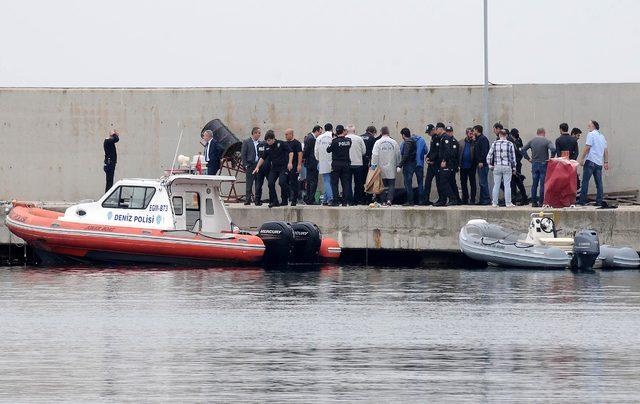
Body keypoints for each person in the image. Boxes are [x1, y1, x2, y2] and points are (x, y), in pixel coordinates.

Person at [253, 131, 293, 208]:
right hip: (274, 168)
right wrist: (257, 167)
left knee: (282, 182)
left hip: (283, 167)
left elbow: (290, 152)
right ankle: (275, 201)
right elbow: (262, 158)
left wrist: (290, 163)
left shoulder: (281, 143)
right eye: (266, 141)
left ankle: (285, 198)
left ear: (273, 139)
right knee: (270, 183)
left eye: (269, 140)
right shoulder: (268, 147)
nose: (268, 142)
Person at [522, 127, 556, 207]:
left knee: (534, 184)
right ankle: (541, 202)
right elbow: (553, 149)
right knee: (542, 184)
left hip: (534, 164)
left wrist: (528, 159)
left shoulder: (532, 141)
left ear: (537, 133)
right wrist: (551, 158)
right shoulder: (547, 141)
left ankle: (534, 202)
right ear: (544, 133)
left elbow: (523, 149)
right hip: (544, 164)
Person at [578, 120, 608, 206]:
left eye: (589, 125)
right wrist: (606, 162)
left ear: (594, 126)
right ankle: (599, 201)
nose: (588, 126)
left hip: (591, 161)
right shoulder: (602, 137)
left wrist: (582, 158)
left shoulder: (591, 134)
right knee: (599, 183)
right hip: (599, 163)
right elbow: (606, 151)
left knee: (585, 182)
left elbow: (587, 147)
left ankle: (582, 201)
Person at [371, 126, 401, 206]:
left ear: (381, 132)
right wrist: (399, 164)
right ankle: (389, 200)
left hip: (381, 167)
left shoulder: (377, 142)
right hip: (391, 166)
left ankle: (383, 201)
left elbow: (375, 155)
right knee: (391, 185)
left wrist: (373, 165)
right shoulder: (394, 142)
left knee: (382, 185)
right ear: (388, 132)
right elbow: (398, 154)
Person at [487, 129, 516, 207]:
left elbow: (489, 156)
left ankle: (494, 203)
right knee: (507, 185)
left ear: (499, 135)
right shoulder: (510, 144)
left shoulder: (495, 143)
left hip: (497, 166)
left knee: (496, 185)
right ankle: (508, 203)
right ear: (506, 135)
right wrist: (514, 168)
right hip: (507, 166)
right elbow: (513, 158)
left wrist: (490, 165)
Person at [326, 125, 352, 206]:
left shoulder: (334, 141)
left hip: (336, 164)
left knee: (334, 183)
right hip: (346, 164)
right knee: (345, 183)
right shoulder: (348, 141)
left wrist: (332, 140)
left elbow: (328, 150)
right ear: (343, 131)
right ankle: (345, 202)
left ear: (336, 132)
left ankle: (336, 201)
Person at [435, 125, 460, 206]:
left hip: (448, 164)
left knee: (444, 182)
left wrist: (444, 160)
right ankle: (443, 200)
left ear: (440, 129)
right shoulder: (442, 138)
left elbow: (448, 151)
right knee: (445, 182)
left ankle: (453, 198)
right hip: (445, 164)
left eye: (437, 129)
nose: (436, 131)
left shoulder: (445, 138)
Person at [240, 127, 261, 205]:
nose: (259, 134)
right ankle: (247, 200)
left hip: (258, 165)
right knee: (249, 183)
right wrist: (245, 165)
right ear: (254, 133)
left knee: (258, 183)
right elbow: (243, 154)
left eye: (259, 133)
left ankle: (257, 200)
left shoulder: (260, 143)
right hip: (250, 165)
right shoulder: (246, 142)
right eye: (258, 133)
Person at [346, 125, 366, 205]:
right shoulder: (359, 138)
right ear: (355, 131)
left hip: (347, 163)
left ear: (347, 131)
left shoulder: (344, 138)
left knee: (348, 183)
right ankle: (357, 199)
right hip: (358, 163)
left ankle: (349, 200)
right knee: (358, 183)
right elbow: (364, 151)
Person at [314, 123, 334, 205]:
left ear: (325, 129)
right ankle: (330, 198)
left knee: (326, 180)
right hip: (333, 161)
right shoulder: (333, 137)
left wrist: (319, 160)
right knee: (330, 181)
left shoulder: (319, 138)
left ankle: (326, 199)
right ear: (332, 129)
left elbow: (316, 151)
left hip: (323, 161)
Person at [508, 128, 529, 205]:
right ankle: (516, 198)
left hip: (517, 164)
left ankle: (522, 198)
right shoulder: (510, 140)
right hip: (512, 164)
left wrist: (518, 159)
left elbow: (521, 150)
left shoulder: (518, 140)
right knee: (514, 182)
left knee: (517, 181)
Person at [302, 125, 322, 204]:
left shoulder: (309, 137)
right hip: (312, 163)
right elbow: (306, 151)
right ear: (316, 131)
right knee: (313, 181)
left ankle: (309, 198)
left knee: (310, 181)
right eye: (320, 132)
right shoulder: (312, 139)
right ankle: (311, 199)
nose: (320, 134)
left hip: (309, 163)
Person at [458, 127, 477, 204]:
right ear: (466, 133)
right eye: (470, 133)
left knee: (472, 183)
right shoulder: (461, 142)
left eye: (472, 133)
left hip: (471, 166)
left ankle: (472, 199)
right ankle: (465, 198)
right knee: (463, 183)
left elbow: (476, 151)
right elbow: (458, 153)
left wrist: (474, 140)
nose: (471, 135)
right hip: (463, 166)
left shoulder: (475, 142)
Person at [284, 128, 303, 206]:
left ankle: (294, 199)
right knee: (284, 182)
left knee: (294, 182)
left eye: (286, 134)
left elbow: (300, 154)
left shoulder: (297, 143)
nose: (285, 136)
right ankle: (286, 198)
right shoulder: (284, 144)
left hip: (294, 165)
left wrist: (299, 165)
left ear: (291, 134)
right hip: (285, 165)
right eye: (285, 134)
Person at [399, 128, 417, 205]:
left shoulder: (407, 142)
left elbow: (405, 155)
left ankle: (410, 201)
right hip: (412, 164)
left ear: (403, 135)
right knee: (408, 183)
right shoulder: (413, 141)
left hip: (408, 165)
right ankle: (410, 200)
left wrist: (400, 165)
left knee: (407, 183)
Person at [473, 125, 491, 205]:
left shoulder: (483, 139)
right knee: (481, 182)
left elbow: (484, 151)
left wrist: (481, 161)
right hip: (480, 164)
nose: (473, 132)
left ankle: (486, 199)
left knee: (483, 182)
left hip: (482, 164)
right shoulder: (478, 139)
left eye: (474, 131)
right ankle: (482, 200)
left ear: (477, 130)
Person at [361, 126, 379, 204]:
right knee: (369, 181)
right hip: (368, 162)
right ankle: (368, 199)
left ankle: (361, 198)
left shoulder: (360, 137)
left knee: (360, 181)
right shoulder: (372, 138)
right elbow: (374, 152)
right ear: (373, 131)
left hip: (360, 162)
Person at [423, 124, 440, 205]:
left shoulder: (437, 138)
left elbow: (437, 151)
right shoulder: (433, 138)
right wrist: (428, 157)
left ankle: (441, 199)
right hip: (431, 164)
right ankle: (425, 199)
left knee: (438, 182)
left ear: (433, 130)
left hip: (436, 164)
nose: (429, 134)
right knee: (427, 182)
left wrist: (432, 159)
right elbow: (432, 150)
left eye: (429, 132)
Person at [254, 133, 271, 206]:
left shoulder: (259, 145)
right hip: (267, 165)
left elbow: (258, 155)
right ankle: (272, 199)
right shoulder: (268, 145)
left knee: (259, 184)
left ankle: (257, 200)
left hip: (260, 165)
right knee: (270, 183)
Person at [412, 130, 428, 205]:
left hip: (410, 164)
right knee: (420, 183)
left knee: (408, 183)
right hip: (420, 164)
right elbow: (426, 151)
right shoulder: (422, 140)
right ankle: (421, 200)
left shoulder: (408, 140)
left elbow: (402, 151)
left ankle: (410, 200)